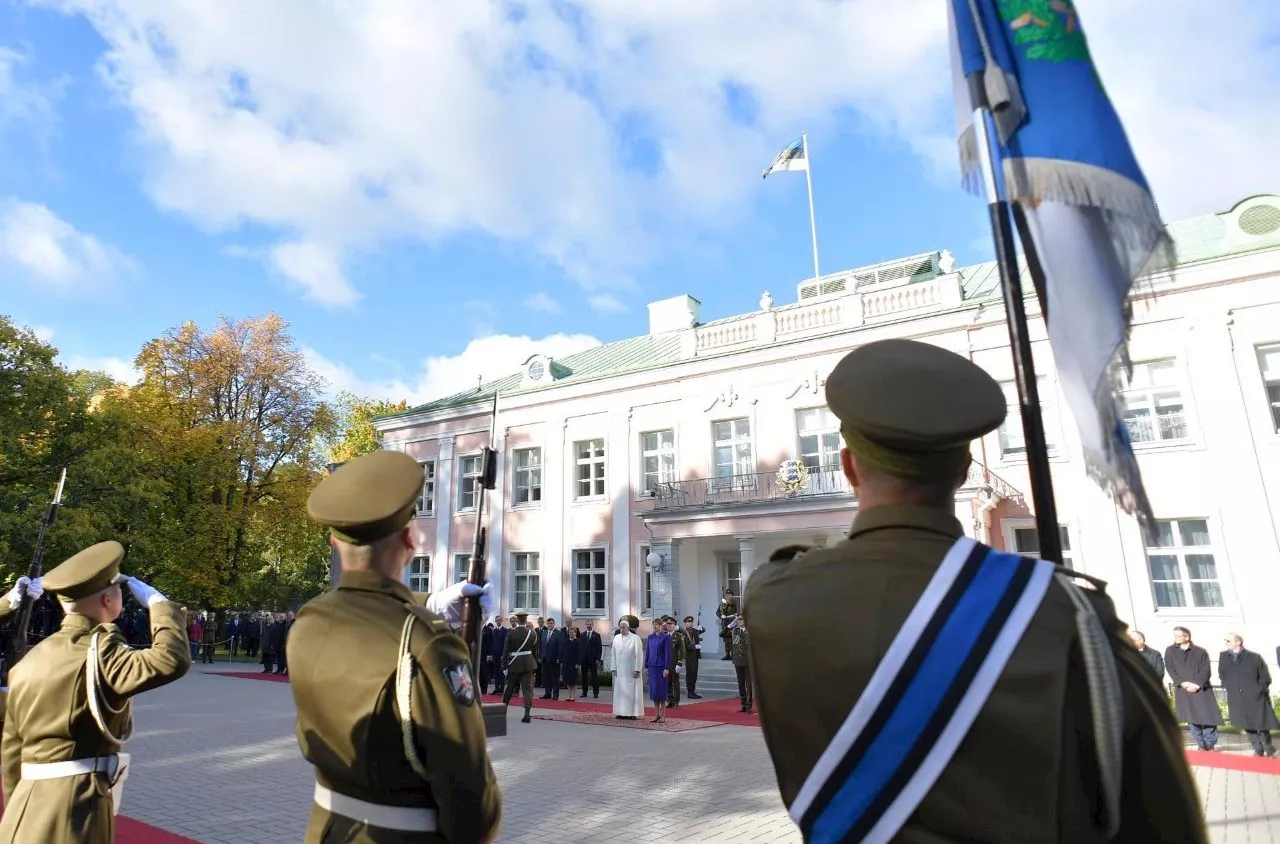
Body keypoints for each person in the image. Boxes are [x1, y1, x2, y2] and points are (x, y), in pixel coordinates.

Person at [745, 338, 1208, 844]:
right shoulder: (1066, 614)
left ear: (849, 466)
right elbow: (1163, 819)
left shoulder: (775, 599)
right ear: (966, 468)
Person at [286, 449, 501, 843]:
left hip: (327, 829)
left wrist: (432, 604)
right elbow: (472, 805)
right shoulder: (430, 642)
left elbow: (371, 614)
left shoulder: (309, 620)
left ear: (334, 541)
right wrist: (432, 620)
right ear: (409, 539)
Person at [0, 540, 191, 843]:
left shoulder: (30, 660)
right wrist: (159, 606)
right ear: (108, 599)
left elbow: (12, 754)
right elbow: (171, 660)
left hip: (26, 809)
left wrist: (18, 809)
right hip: (75, 811)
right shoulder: (101, 652)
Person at [1218, 633, 1278, 758]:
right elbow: (1222, 674)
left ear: (1238, 642)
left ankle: (1269, 748)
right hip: (1236, 697)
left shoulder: (1254, 657)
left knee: (1261, 723)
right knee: (1246, 723)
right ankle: (1258, 749)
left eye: (1228, 641)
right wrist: (1227, 685)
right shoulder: (1223, 656)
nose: (1226, 643)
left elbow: (1265, 677)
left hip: (1255, 697)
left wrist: (1259, 690)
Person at [1165, 626, 1223, 752]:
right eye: (1174, 636)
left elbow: (1206, 670)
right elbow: (1170, 669)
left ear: (1187, 637)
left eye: (1178, 636)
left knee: (1208, 717)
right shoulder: (1170, 651)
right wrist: (1184, 683)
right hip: (1184, 690)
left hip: (1201, 689)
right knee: (1192, 719)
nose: (1175, 638)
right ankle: (1201, 745)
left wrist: (1196, 685)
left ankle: (1210, 744)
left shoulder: (1200, 651)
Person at [502, 613, 538, 724]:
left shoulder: (511, 633)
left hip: (515, 664)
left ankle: (502, 712)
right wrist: (535, 664)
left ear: (517, 620)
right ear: (526, 620)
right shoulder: (532, 634)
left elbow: (506, 650)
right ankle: (527, 714)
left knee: (509, 688)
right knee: (527, 689)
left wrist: (504, 665)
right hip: (528, 663)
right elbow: (535, 651)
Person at [611, 616, 645, 720]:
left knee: (632, 692)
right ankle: (620, 711)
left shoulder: (635, 638)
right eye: (620, 627)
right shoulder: (616, 638)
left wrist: (637, 669)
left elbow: (639, 655)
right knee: (620, 692)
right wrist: (613, 667)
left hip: (631, 670)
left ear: (628, 627)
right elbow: (613, 654)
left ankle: (632, 713)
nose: (622, 629)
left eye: (624, 627)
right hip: (620, 671)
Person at [645, 618, 672, 724]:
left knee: (661, 693)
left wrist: (666, 668)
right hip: (652, 667)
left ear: (661, 626)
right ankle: (656, 714)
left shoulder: (665, 637)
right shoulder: (650, 637)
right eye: (654, 624)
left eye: (657, 624)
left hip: (661, 667)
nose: (655, 626)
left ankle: (663, 716)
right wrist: (646, 666)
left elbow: (667, 654)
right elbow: (648, 652)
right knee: (654, 692)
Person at [680, 615, 705, 700]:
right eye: (688, 622)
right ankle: (690, 692)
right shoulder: (683, 633)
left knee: (694, 674)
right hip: (689, 656)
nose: (690, 623)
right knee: (690, 674)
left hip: (695, 656)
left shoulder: (694, 631)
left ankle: (693, 691)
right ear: (685, 623)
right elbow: (686, 645)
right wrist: (695, 647)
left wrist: (701, 627)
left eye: (691, 622)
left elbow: (703, 630)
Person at [560, 625, 584, 702]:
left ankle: (573, 696)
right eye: (569, 632)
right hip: (566, 664)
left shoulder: (578, 642)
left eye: (572, 632)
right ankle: (569, 695)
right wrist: (561, 660)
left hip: (574, 664)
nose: (571, 633)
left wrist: (578, 663)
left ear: (575, 633)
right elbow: (562, 652)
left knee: (573, 681)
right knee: (567, 680)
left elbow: (580, 653)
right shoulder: (565, 641)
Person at [715, 588, 737, 659]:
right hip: (724, 622)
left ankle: (733, 654)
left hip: (731, 622)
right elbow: (717, 612)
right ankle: (727, 654)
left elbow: (731, 606)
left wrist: (726, 603)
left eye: (729, 595)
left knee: (732, 638)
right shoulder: (722, 603)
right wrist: (721, 616)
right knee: (726, 639)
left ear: (732, 596)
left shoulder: (733, 602)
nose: (728, 596)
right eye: (727, 595)